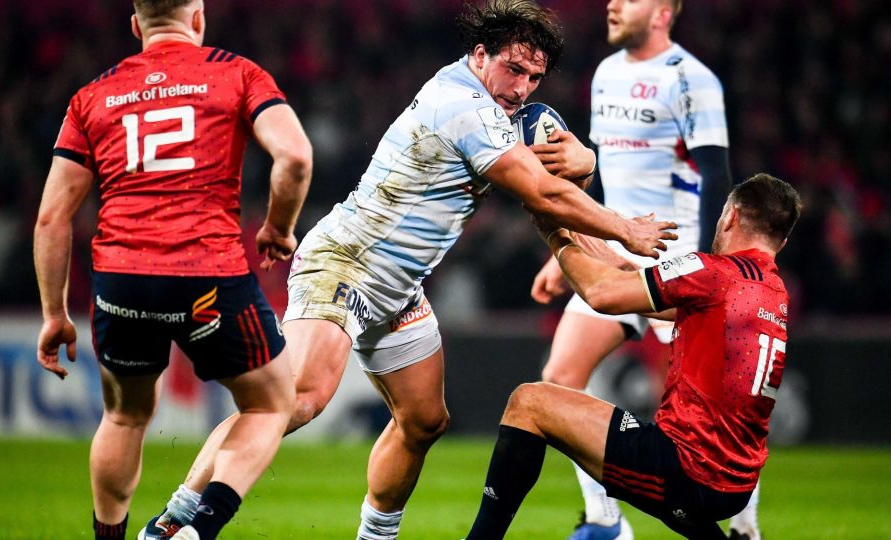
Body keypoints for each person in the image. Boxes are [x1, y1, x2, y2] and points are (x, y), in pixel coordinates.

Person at [140, 1, 677, 539]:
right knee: (295, 400)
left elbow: (555, 191)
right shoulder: (462, 105)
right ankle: (174, 524)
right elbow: (541, 190)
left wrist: (586, 164)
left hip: (397, 288)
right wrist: (623, 228)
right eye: (513, 70)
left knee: (423, 420)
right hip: (348, 262)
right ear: (480, 54)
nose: (521, 87)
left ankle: (376, 537)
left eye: (535, 77)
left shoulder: (504, 112)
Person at [33, 1, 313, 539]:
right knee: (271, 402)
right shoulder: (236, 72)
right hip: (208, 275)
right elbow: (296, 157)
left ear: (136, 25)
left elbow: (51, 217)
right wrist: (279, 228)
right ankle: (195, 531)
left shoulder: (92, 96)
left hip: (120, 279)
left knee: (123, 417)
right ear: (199, 18)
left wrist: (53, 313)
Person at [527, 1, 759, 537]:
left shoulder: (692, 80)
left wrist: (712, 269)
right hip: (617, 252)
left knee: (713, 407)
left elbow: (716, 175)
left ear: (662, 11)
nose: (611, 4)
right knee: (559, 378)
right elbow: (606, 174)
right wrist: (572, 251)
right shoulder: (607, 75)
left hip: (679, 260)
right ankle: (605, 520)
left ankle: (746, 529)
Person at [466, 173, 801, 540]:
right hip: (733, 483)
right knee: (675, 484)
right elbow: (638, 286)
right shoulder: (772, 293)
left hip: (685, 469)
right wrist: (581, 234)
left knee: (529, 403)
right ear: (781, 242)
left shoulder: (711, 273)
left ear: (731, 217)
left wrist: (554, 236)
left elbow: (602, 294)